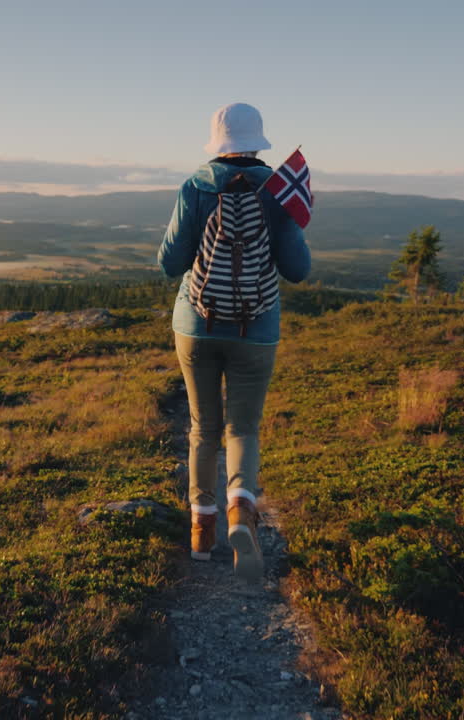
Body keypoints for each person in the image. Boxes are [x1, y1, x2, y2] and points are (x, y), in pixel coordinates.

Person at [157, 102, 311, 583]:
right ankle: (241, 514)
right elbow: (298, 270)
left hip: (197, 326)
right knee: (243, 429)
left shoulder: (196, 186)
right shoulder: (278, 190)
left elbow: (169, 263)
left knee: (204, 428)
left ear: (216, 141)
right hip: (257, 329)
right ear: (257, 139)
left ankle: (202, 533)